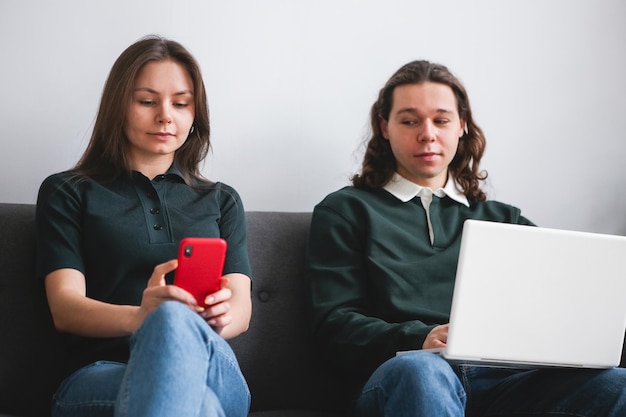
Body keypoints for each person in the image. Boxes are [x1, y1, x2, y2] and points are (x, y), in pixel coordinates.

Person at [305, 60, 626, 416]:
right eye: (410, 121)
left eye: (441, 120)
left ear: (461, 126)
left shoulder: (505, 219)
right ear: (384, 127)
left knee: (616, 383)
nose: (427, 134)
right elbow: (333, 326)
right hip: (407, 373)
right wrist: (420, 339)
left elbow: (562, 302)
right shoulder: (346, 211)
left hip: (505, 380)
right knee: (420, 370)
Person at [36, 35, 251, 417]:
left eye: (181, 103)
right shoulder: (67, 192)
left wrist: (218, 316)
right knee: (198, 404)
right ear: (118, 108)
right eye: (147, 101)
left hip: (210, 365)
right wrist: (143, 316)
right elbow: (65, 308)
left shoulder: (222, 199)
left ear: (194, 114)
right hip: (103, 371)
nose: (166, 115)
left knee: (181, 334)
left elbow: (241, 308)